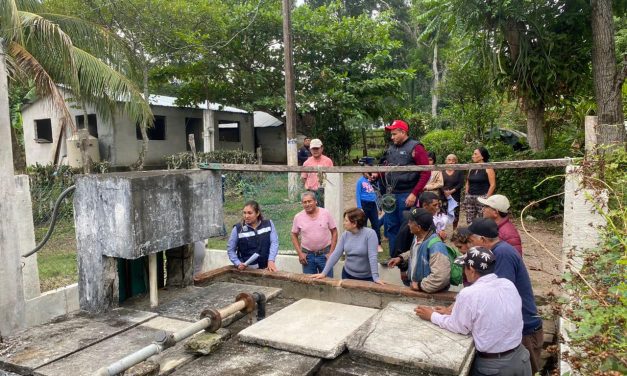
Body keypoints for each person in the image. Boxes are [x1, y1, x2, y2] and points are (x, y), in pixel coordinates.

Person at [414, 247, 532, 376]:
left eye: (464, 268)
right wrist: (455, 313)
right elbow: (492, 313)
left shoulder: (470, 293)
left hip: (494, 367)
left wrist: (432, 316)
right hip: (521, 359)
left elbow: (459, 327)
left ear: (471, 270)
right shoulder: (507, 284)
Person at [468, 218, 543, 375]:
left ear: (482, 239)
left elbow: (498, 295)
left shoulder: (502, 254)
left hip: (525, 330)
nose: (470, 246)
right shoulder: (500, 251)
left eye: (471, 241)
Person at [381, 120, 430, 255]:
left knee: (407, 228)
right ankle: (393, 257)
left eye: (394, 134)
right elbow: (385, 167)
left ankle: (405, 260)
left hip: (407, 194)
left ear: (403, 132)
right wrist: (375, 174)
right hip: (391, 195)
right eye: (391, 134)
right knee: (391, 227)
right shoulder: (391, 149)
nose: (392, 137)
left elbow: (426, 172)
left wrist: (414, 193)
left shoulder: (416, 148)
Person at [311, 208, 384, 284]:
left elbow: (373, 256)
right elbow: (336, 254)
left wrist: (375, 277)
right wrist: (324, 273)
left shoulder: (370, 234)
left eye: (346, 221)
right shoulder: (345, 235)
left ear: (354, 223)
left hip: (366, 278)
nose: (343, 223)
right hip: (347, 275)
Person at [387, 208, 450, 293]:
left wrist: (420, 285)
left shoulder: (436, 246)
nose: (408, 224)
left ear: (418, 227)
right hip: (420, 291)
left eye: (410, 222)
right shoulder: (418, 237)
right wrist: (401, 258)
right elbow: (417, 251)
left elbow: (441, 277)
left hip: (430, 297)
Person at [291, 191, 338, 276]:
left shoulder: (325, 213)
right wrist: (300, 253)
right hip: (307, 257)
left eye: (310, 201)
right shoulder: (298, 217)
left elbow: (334, 231)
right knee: (310, 283)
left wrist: (331, 253)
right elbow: (294, 235)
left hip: (325, 255)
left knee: (327, 282)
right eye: (304, 202)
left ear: (315, 201)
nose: (307, 204)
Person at [227, 201, 278, 272]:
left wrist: (271, 260)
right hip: (247, 270)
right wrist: (238, 263)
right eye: (244, 213)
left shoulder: (268, 224)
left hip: (266, 268)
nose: (246, 216)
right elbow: (231, 250)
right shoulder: (238, 229)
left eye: (249, 213)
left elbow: (274, 243)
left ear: (257, 213)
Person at [463, 147, 496, 224]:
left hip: (482, 197)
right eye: (473, 154)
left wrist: (486, 199)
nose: (472, 156)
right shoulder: (472, 168)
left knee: (483, 219)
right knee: (469, 220)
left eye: (475, 154)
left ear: (482, 156)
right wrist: (466, 194)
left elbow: (493, 185)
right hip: (470, 197)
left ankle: (482, 235)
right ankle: (472, 235)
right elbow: (468, 182)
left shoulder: (488, 168)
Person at [355, 167, 383, 252]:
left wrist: (378, 207)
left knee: (376, 224)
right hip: (364, 204)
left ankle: (378, 244)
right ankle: (363, 243)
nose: (369, 174)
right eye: (367, 172)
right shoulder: (360, 181)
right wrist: (360, 207)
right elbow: (358, 194)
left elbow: (376, 194)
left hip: (372, 204)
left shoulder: (373, 181)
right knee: (363, 225)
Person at [302, 138, 333, 207]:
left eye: (317, 148)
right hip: (311, 191)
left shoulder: (328, 161)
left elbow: (332, 177)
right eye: (313, 149)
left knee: (324, 210)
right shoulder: (306, 163)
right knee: (311, 210)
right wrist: (308, 187)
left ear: (322, 148)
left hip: (325, 191)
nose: (315, 151)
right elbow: (304, 177)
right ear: (310, 149)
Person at [442, 154, 465, 229]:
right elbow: (439, 183)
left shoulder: (459, 171)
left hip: (455, 196)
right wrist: (444, 191)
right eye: (449, 160)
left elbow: (461, 184)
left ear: (456, 162)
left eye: (453, 160)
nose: (451, 162)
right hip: (443, 196)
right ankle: (442, 231)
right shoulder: (441, 171)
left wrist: (451, 191)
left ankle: (454, 231)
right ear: (446, 161)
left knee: (456, 215)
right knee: (442, 215)